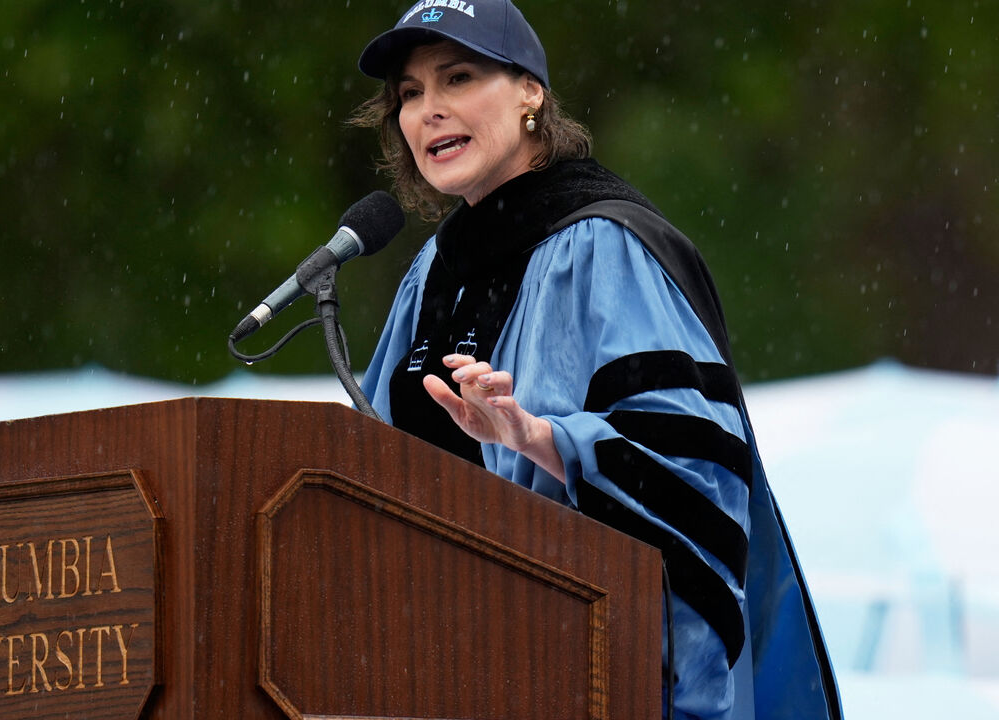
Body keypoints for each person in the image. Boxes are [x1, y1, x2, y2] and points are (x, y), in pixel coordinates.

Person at [351, 2, 842, 719]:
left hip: (582, 677)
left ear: (530, 92)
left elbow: (693, 470)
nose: (429, 109)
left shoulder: (606, 247)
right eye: (410, 92)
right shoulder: (431, 274)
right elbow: (365, 474)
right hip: (433, 671)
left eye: (458, 78)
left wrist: (539, 438)